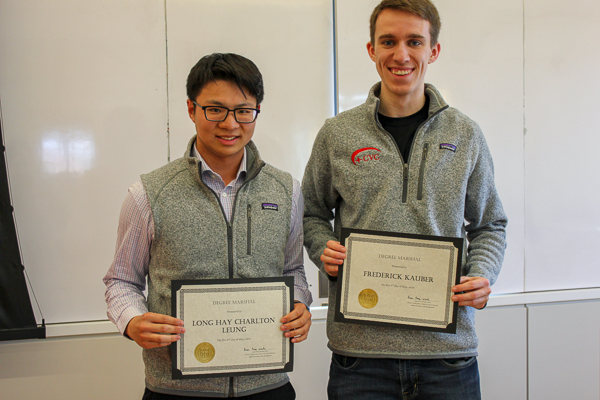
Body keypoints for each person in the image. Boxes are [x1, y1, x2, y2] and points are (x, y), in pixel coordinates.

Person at [302, 1, 507, 399]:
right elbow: (311, 212)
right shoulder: (336, 134)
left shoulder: (466, 134)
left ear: (434, 51)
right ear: (371, 49)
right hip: (360, 357)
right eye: (388, 41)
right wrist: (320, 247)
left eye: (414, 41)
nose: (401, 54)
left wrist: (482, 275)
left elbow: (489, 224)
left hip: (447, 357)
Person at [104, 53, 312, 399]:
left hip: (266, 386)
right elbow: (121, 281)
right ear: (192, 109)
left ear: (257, 111)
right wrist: (132, 321)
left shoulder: (286, 190)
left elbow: (294, 271)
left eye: (244, 110)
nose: (230, 124)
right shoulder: (148, 194)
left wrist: (301, 304)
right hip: (177, 391)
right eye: (215, 110)